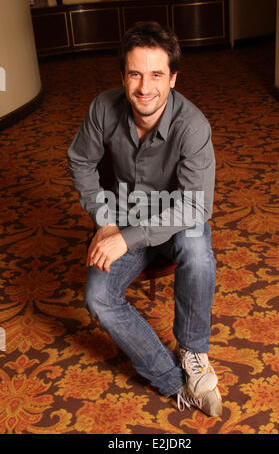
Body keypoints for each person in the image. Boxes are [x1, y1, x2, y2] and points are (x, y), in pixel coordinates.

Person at [67, 21, 222, 417]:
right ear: (123, 76)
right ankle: (173, 381)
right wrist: (104, 221)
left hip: (176, 217)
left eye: (156, 75)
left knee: (198, 250)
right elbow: (80, 160)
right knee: (97, 297)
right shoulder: (104, 107)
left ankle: (192, 350)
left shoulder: (193, 125)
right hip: (120, 217)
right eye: (135, 74)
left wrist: (128, 238)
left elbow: (196, 207)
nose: (144, 87)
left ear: (172, 78)